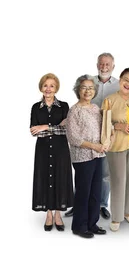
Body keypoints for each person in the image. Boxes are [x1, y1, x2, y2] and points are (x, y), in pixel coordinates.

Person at [65, 53, 118, 219]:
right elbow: (79, 114)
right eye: (101, 64)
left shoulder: (118, 85)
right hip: (87, 137)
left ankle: (101, 205)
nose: (104, 67)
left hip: (106, 136)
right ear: (97, 65)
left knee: (104, 175)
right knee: (83, 176)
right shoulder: (90, 81)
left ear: (113, 66)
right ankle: (79, 205)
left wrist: (112, 133)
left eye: (107, 64)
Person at [65, 75, 108, 238]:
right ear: (78, 90)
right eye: (84, 87)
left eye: (91, 88)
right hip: (83, 157)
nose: (88, 90)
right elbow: (73, 138)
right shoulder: (74, 110)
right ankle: (79, 226)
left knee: (96, 192)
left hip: (98, 155)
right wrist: (93, 146)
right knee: (84, 192)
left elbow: (103, 130)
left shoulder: (96, 109)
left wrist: (106, 142)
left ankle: (92, 223)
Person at [103, 68, 129, 232]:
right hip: (116, 145)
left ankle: (128, 212)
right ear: (120, 80)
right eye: (126, 80)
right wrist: (118, 126)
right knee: (118, 180)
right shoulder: (109, 100)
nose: (128, 84)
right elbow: (103, 124)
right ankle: (116, 216)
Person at [30, 73, 73, 232]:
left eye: (52, 86)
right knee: (45, 178)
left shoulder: (64, 106)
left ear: (56, 89)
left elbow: (67, 130)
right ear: (41, 87)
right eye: (45, 85)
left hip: (60, 150)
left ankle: (58, 214)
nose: (48, 89)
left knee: (59, 178)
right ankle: (49, 214)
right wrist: (55, 127)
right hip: (42, 151)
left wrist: (46, 127)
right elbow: (34, 132)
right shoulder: (35, 107)